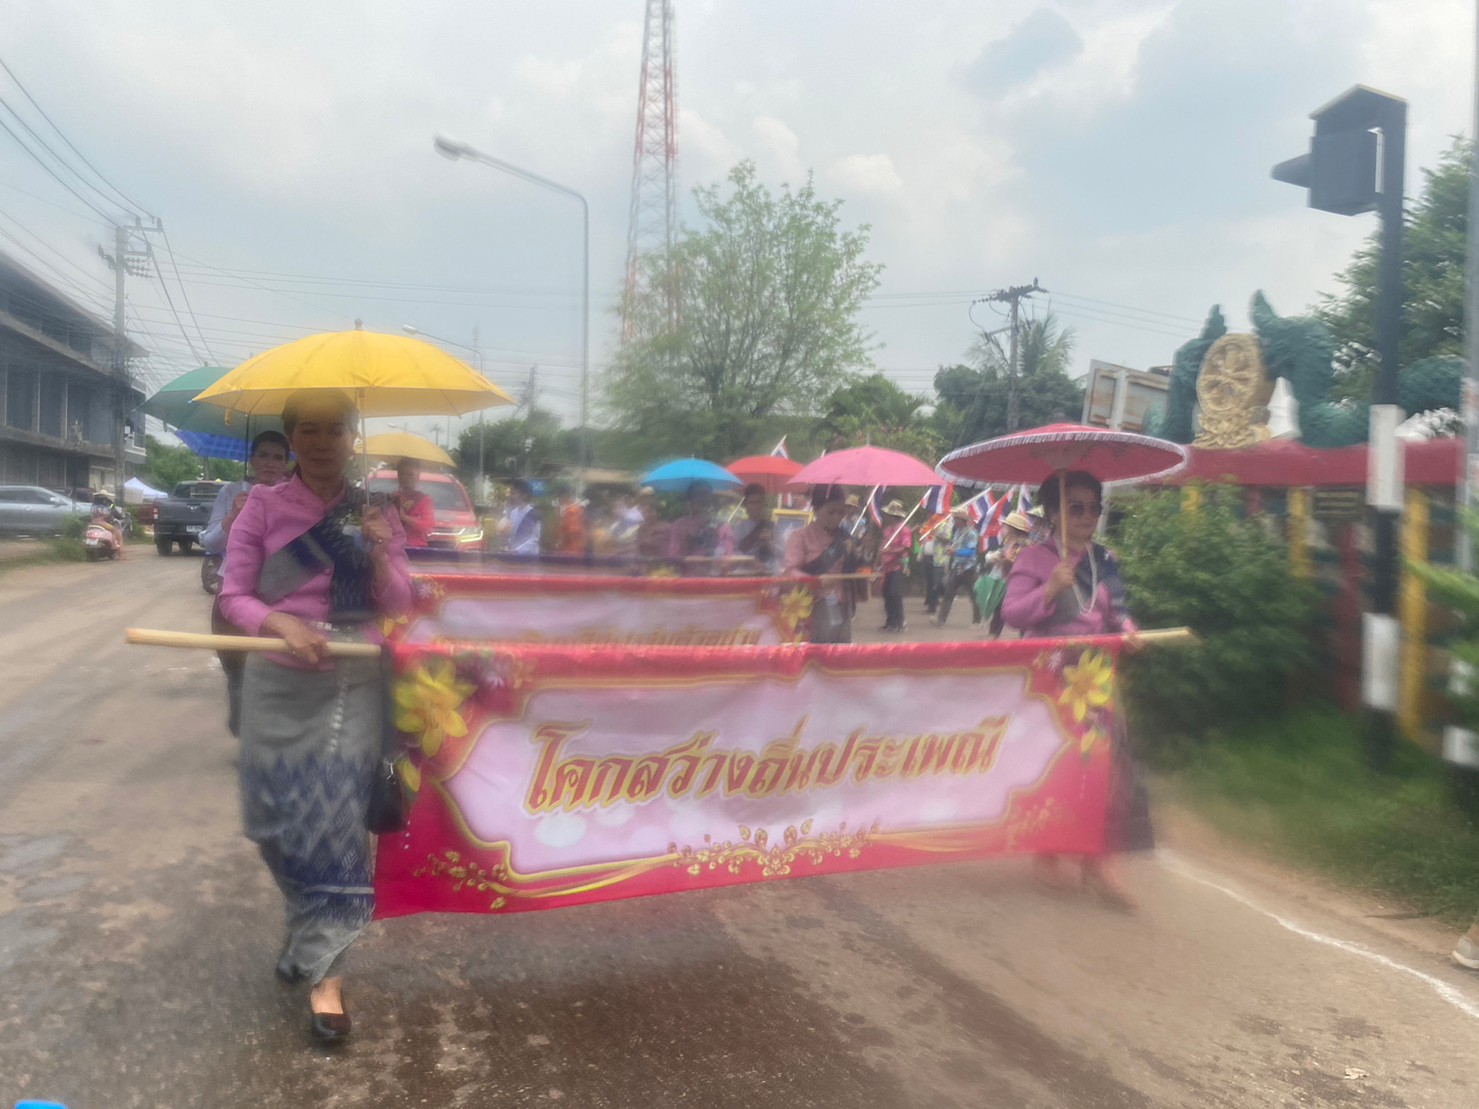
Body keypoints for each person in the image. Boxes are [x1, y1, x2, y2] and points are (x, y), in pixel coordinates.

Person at [219, 389, 413, 1044]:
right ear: (293, 438)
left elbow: (400, 601)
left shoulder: (375, 510)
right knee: (271, 822)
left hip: (351, 680)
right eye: (309, 429)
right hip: (276, 680)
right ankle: (307, 925)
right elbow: (234, 594)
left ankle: (327, 974)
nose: (323, 441)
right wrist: (278, 622)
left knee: (332, 820)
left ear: (352, 437)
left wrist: (382, 551)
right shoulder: (263, 505)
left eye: (335, 429)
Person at [1000, 470, 1148, 911]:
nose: (1087, 516)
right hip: (1051, 679)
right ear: (1053, 513)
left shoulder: (1107, 560)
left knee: (1110, 766)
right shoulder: (1034, 559)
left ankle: (1101, 860)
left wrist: (1129, 630)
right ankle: (1048, 849)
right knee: (1057, 765)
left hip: (1095, 677)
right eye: (1075, 507)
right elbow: (1012, 614)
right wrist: (1049, 589)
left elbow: (1117, 613)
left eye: (1093, 508)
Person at [201, 430, 292, 737]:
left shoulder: (294, 496)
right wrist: (233, 516)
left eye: (278, 457)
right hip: (233, 591)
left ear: (286, 463)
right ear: (251, 460)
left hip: (279, 593)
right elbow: (210, 543)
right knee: (236, 669)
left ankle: (267, 736)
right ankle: (242, 725)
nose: (270, 463)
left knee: (276, 670)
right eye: (263, 455)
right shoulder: (232, 492)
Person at [785, 485, 857, 644]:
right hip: (813, 604)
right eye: (831, 512)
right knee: (819, 650)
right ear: (815, 509)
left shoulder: (845, 538)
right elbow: (790, 571)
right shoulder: (801, 536)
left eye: (841, 512)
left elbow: (854, 569)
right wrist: (815, 581)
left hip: (842, 602)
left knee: (842, 649)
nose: (836, 517)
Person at [982, 510, 1034, 638]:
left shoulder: (1024, 544)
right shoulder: (1008, 542)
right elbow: (1003, 555)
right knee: (999, 607)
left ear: (1012, 528)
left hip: (1020, 582)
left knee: (1021, 610)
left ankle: (1024, 636)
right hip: (1005, 580)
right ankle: (994, 634)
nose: (1003, 528)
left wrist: (1004, 561)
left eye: (1006, 526)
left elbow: (1021, 561)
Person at [668, 481, 735, 571]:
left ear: (710, 499)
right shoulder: (680, 525)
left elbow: (728, 557)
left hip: (716, 575)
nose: (701, 499)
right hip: (690, 576)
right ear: (689, 500)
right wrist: (688, 543)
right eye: (696, 495)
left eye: (705, 495)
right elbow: (674, 556)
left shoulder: (722, 525)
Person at [934, 507, 982, 626]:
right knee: (949, 593)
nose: (954, 521)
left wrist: (956, 552)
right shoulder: (957, 532)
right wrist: (949, 548)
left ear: (961, 520)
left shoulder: (971, 533)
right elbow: (955, 546)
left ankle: (977, 620)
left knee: (973, 595)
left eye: (956, 519)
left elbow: (971, 552)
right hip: (957, 566)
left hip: (969, 567)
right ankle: (941, 619)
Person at [878, 500, 913, 632]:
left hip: (898, 565)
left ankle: (900, 621)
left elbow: (906, 547)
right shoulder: (887, 530)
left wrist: (891, 551)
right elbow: (883, 545)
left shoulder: (904, 530)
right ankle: (890, 621)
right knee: (886, 593)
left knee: (895, 592)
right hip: (887, 565)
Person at [389, 457, 436, 549]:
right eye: (402, 474)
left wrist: (405, 517)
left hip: (417, 549)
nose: (405, 478)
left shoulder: (425, 500)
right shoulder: (392, 498)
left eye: (410, 475)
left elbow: (427, 526)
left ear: (417, 477)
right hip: (395, 548)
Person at [733, 483, 777, 574]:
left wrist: (770, 542)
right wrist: (751, 561)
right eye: (752, 503)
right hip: (744, 573)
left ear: (763, 503)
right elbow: (735, 553)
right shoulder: (740, 527)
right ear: (746, 505)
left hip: (768, 572)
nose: (755, 506)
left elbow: (782, 554)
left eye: (758, 502)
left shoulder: (772, 526)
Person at [918, 514, 949, 615]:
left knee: (937, 582)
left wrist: (936, 534)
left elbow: (947, 540)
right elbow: (922, 540)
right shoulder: (927, 525)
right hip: (927, 556)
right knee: (929, 582)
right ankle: (931, 604)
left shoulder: (944, 525)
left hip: (938, 558)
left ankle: (939, 599)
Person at [502, 478, 542, 555]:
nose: (511, 496)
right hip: (514, 555)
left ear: (524, 495)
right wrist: (508, 545)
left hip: (530, 555)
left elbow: (534, 538)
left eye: (514, 493)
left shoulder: (533, 514)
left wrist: (518, 550)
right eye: (511, 493)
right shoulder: (513, 513)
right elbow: (512, 535)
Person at [634, 487, 671, 562]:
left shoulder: (666, 527)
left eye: (651, 511)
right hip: (644, 563)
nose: (648, 515)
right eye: (645, 512)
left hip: (662, 563)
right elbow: (638, 548)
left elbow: (663, 546)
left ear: (658, 513)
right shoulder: (641, 528)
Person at [554, 482, 586, 556]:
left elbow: (572, 531)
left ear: (565, 496)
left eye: (559, 496)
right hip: (572, 550)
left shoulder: (572, 511)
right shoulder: (572, 509)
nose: (558, 499)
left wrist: (559, 541)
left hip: (572, 552)